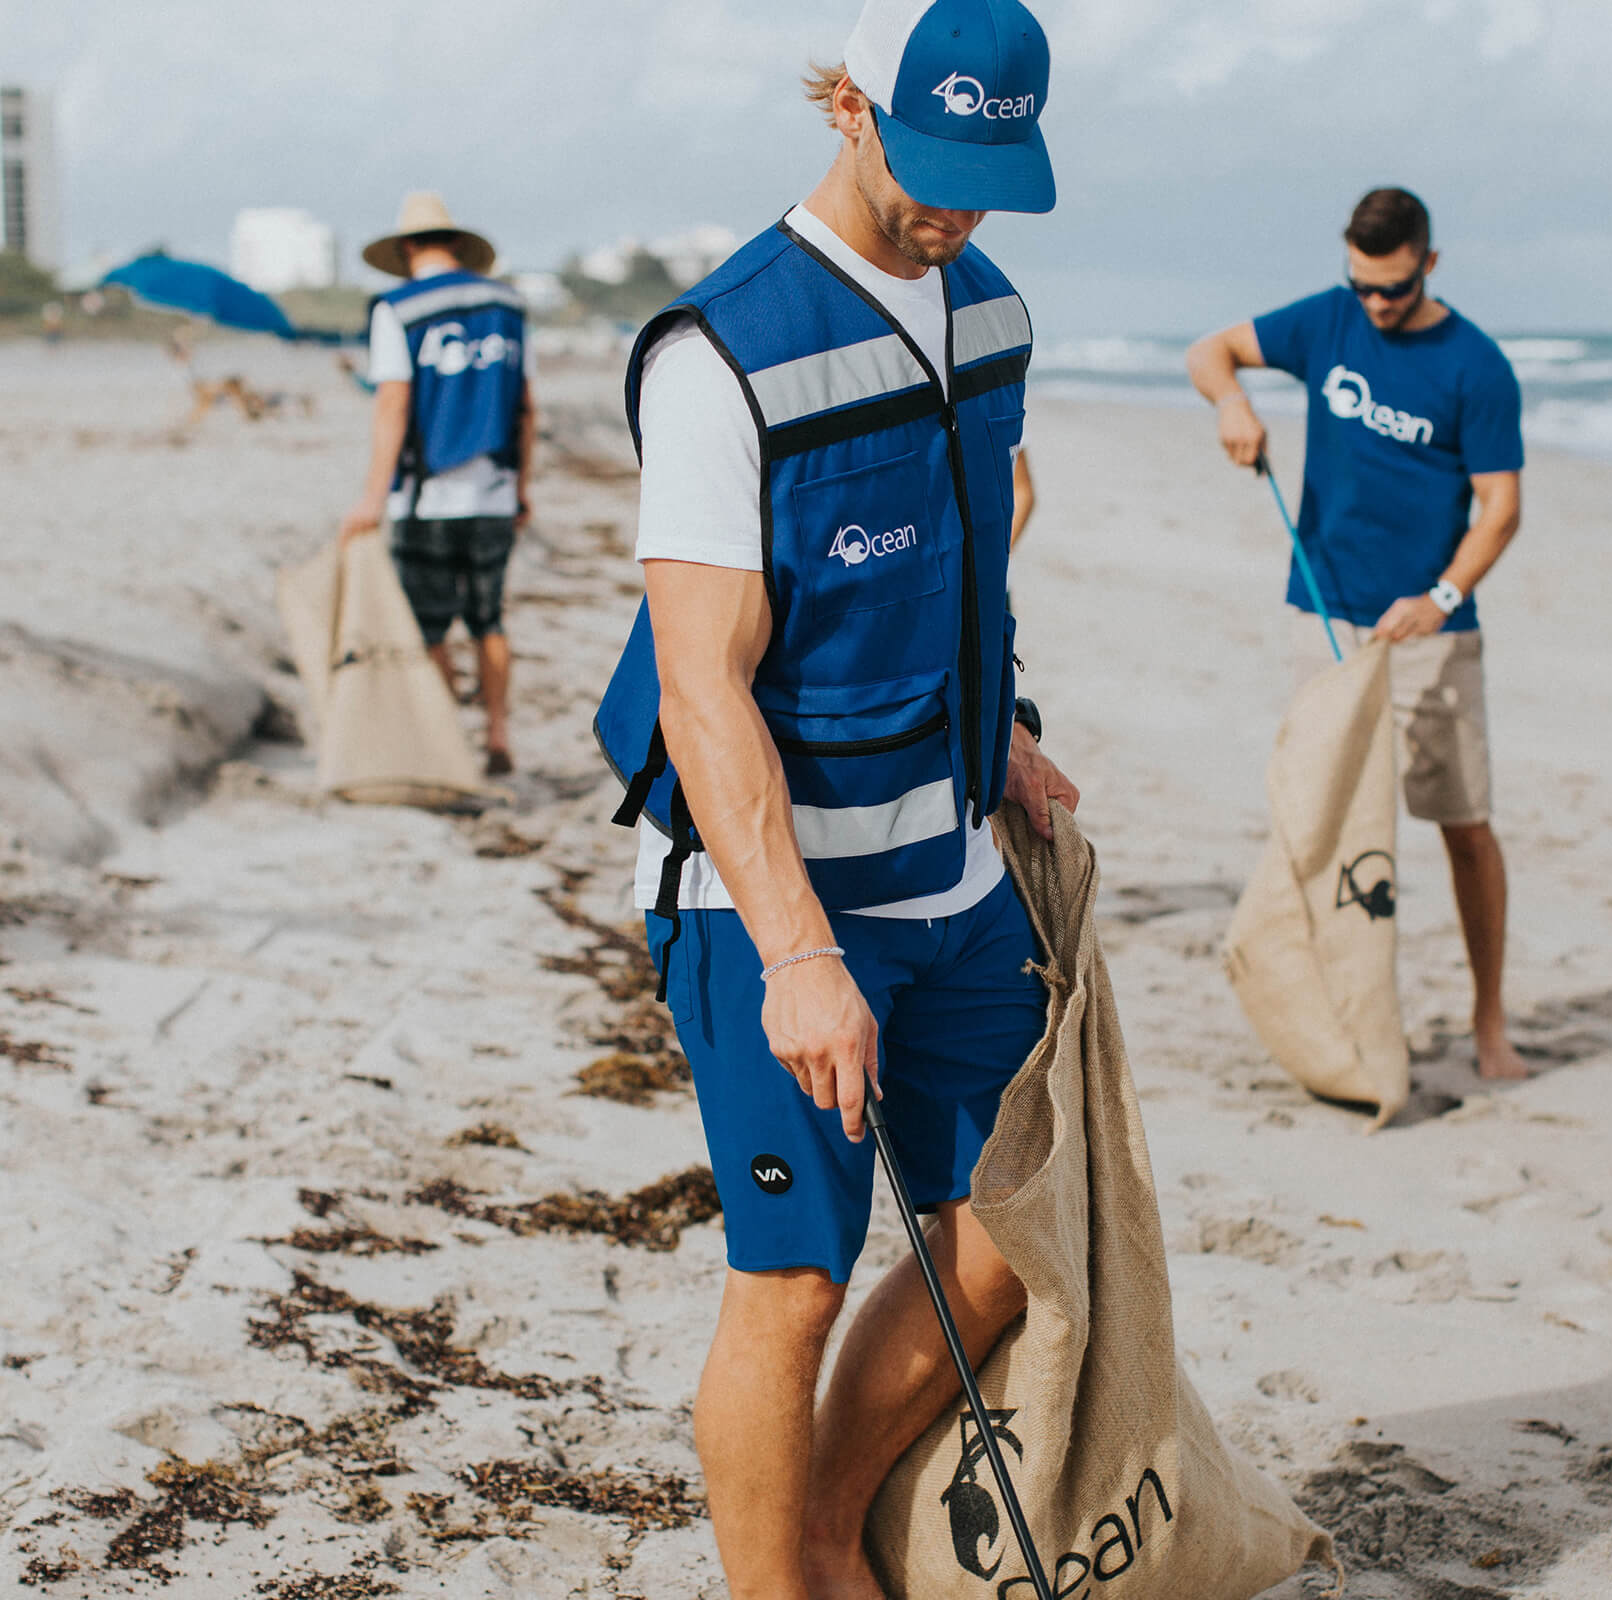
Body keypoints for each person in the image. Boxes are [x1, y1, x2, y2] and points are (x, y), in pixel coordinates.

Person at [590, 2, 1075, 1591]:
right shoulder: (723, 350)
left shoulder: (990, 311)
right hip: (768, 901)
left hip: (948, 876)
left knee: (1005, 1236)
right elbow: (699, 683)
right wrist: (800, 954)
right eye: (930, 163)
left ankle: (824, 1512)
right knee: (792, 1284)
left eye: (988, 173)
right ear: (849, 106)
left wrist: (994, 721)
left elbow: (976, 533)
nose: (954, 208)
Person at [1185, 186, 1530, 1081]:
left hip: (1429, 635)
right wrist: (1232, 405)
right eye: (1364, 285)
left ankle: (1490, 1020)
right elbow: (1209, 350)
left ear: (1430, 263)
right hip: (1322, 614)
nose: (1377, 304)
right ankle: (1341, 1013)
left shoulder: (1476, 366)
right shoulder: (1329, 323)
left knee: (1463, 828)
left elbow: (1501, 509)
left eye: (1395, 288)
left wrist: (1444, 596)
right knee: (1328, 821)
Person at [341, 192, 532, 777]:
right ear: (456, 244)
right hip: (494, 493)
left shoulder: (396, 309)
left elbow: (392, 406)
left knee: (429, 628)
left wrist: (373, 497)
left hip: (426, 500)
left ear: (405, 249)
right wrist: (523, 487)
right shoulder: (508, 305)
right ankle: (498, 735)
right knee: (488, 621)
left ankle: (448, 735)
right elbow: (525, 407)